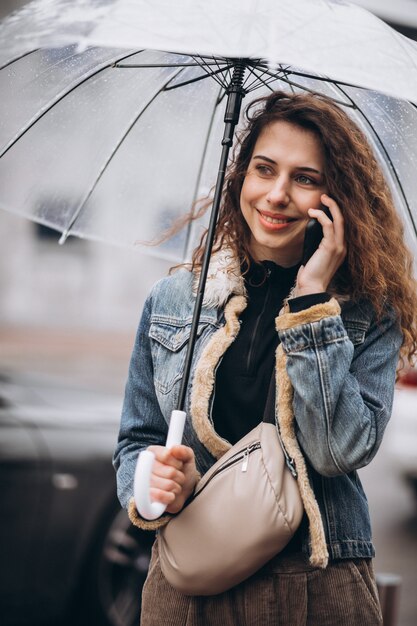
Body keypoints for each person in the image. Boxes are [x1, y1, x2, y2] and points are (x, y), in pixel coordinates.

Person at [113, 90, 417, 625]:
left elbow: (336, 452)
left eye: (305, 178)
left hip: (315, 583)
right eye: (264, 169)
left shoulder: (371, 313)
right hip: (190, 585)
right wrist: (152, 481)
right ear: (241, 179)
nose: (276, 195)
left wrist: (311, 304)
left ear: (336, 197)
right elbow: (136, 439)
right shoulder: (175, 300)